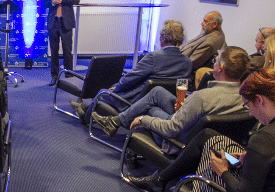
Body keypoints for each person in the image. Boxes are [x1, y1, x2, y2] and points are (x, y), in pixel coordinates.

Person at [126, 69, 275, 192]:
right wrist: (249, 157)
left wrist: (223, 171)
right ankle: (159, 180)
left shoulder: (265, 138)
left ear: (260, 100)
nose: (250, 113)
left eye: (248, 105)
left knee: (209, 161)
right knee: (209, 136)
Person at [92, 46, 249, 139]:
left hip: (180, 137)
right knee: (157, 92)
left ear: (221, 68)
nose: (214, 64)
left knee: (150, 109)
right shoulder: (247, 99)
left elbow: (173, 128)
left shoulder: (202, 96)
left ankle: (116, 122)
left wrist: (143, 119)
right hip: (202, 132)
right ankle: (115, 122)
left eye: (216, 61)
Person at [74, 19, 191, 120]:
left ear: (162, 38)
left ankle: (84, 117)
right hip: (161, 104)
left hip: (135, 101)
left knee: (102, 92)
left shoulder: (153, 57)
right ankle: (84, 108)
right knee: (114, 86)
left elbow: (130, 79)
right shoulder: (187, 63)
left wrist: (116, 89)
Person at [45, 0, 80, 85]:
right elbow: (45, 2)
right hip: (53, 21)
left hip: (66, 22)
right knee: (54, 52)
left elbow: (76, 0)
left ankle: (69, 76)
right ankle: (54, 76)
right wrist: (53, 2)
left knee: (67, 51)